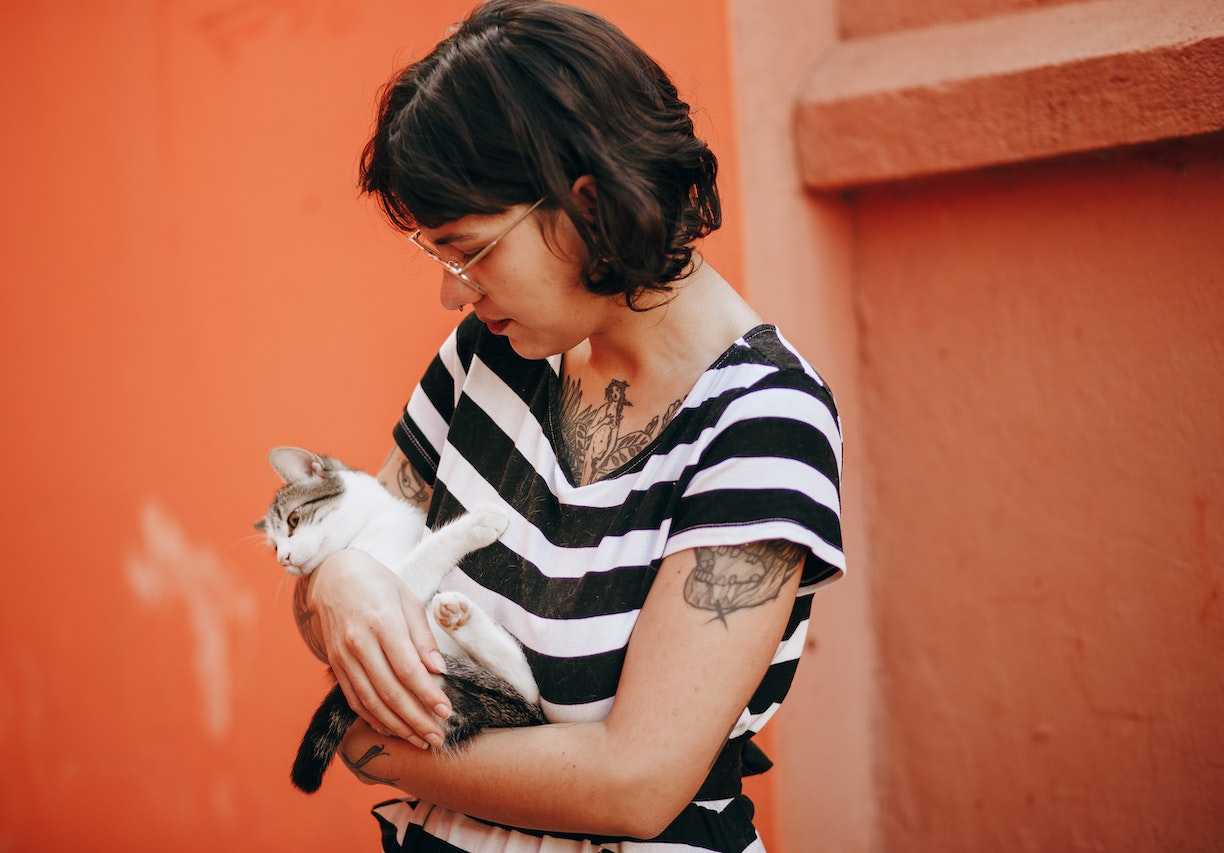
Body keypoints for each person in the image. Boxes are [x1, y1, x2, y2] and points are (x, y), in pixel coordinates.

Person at [292, 1, 846, 851]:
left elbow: (636, 783)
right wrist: (336, 585)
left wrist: (378, 749)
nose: (453, 291)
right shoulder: (488, 355)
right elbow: (348, 581)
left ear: (586, 202)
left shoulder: (763, 422)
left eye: (469, 251)